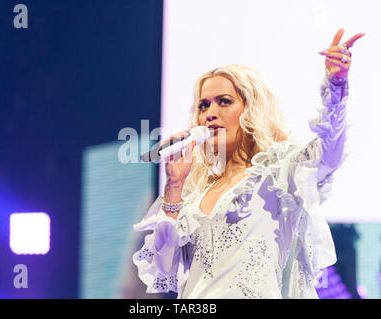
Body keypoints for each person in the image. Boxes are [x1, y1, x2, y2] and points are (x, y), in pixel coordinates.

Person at [133, 28, 365, 298]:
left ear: (251, 109)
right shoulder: (193, 193)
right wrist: (174, 186)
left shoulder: (277, 174)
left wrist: (336, 86)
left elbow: (329, 151)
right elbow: (165, 268)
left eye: (224, 102)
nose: (210, 114)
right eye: (203, 105)